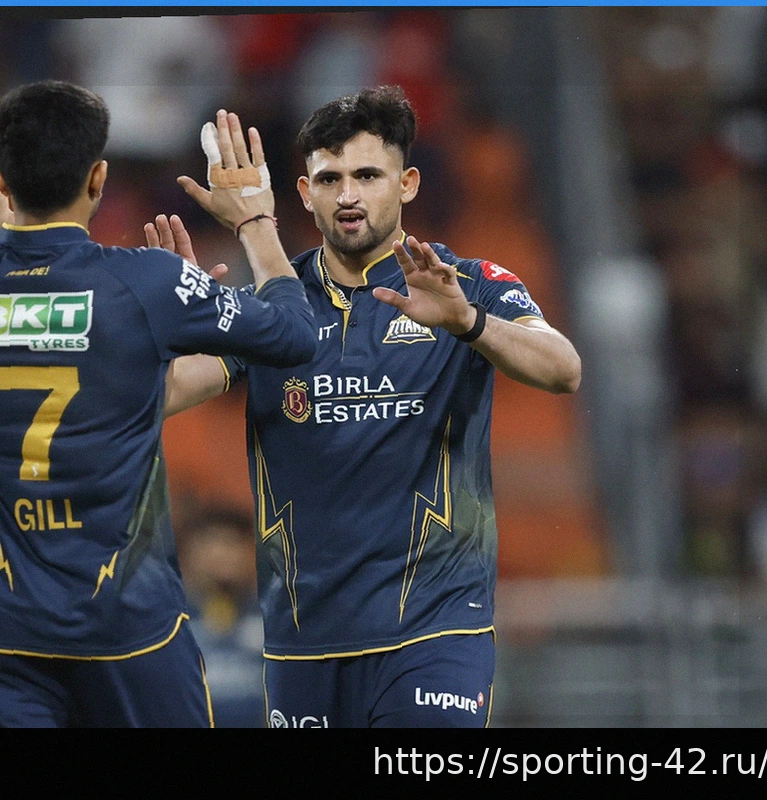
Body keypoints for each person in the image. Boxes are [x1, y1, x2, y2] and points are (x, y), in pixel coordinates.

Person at [0, 81, 317, 727]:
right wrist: (252, 228)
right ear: (98, 178)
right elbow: (295, 334)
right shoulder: (146, 281)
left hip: (1, 641)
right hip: (131, 633)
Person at [157, 85, 582, 727]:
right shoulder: (272, 306)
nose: (348, 195)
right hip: (303, 642)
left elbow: (563, 369)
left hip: (435, 631)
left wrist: (467, 322)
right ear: (305, 194)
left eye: (367, 176)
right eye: (330, 179)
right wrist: (162, 331)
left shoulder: (465, 284)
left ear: (407, 184)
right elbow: (160, 396)